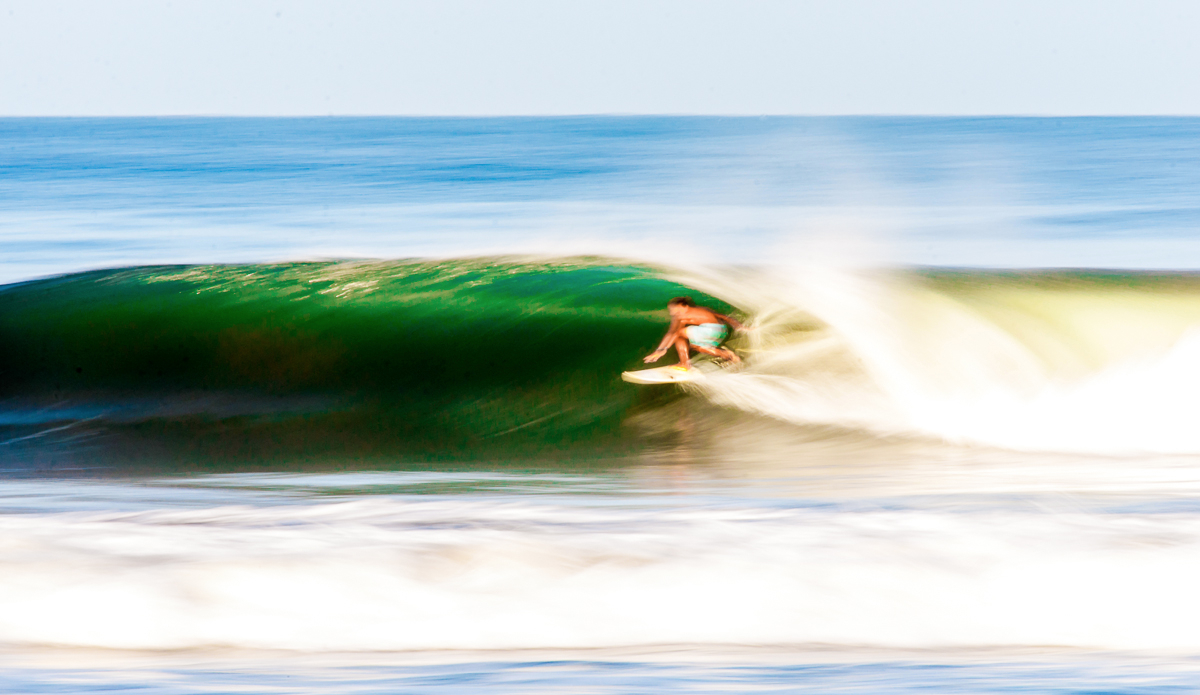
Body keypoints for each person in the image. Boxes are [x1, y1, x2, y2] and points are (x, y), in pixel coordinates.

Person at [644, 296, 744, 370]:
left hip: (710, 330)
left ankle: (684, 363)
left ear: (683, 306)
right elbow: (723, 317)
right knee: (698, 347)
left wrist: (663, 350)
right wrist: (740, 326)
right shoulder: (701, 309)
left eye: (673, 309)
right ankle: (728, 356)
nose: (671, 313)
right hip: (720, 331)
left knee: (679, 334)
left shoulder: (680, 316)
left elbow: (673, 333)